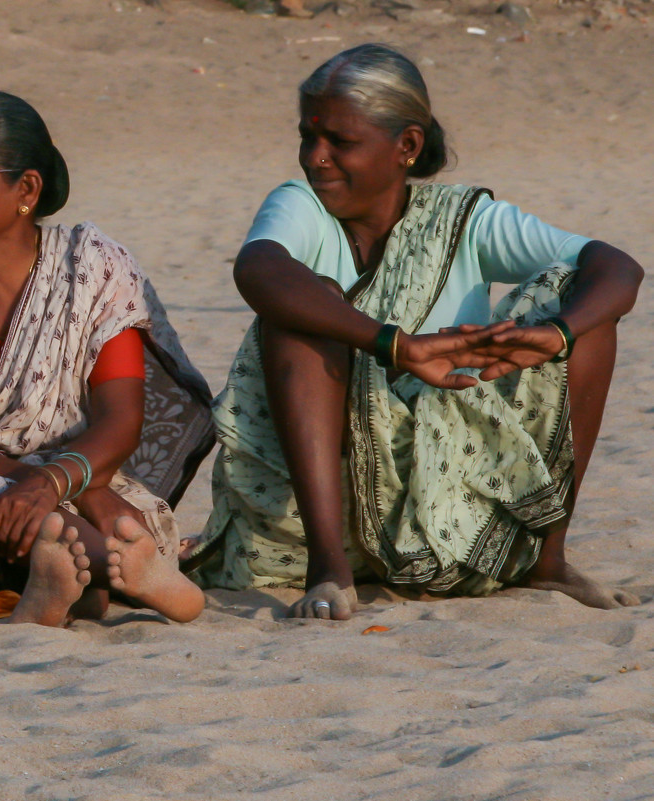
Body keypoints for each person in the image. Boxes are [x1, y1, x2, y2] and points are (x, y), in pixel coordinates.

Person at [184, 44, 644, 620]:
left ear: (407, 146)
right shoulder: (302, 206)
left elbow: (617, 267)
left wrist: (558, 334)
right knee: (304, 308)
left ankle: (546, 560)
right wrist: (395, 345)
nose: (316, 158)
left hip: (460, 504)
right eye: (308, 136)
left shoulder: (465, 220)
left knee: (587, 316)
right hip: (314, 517)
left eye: (340, 142)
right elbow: (258, 269)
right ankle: (331, 574)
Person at [0, 90, 212, 627]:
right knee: (34, 521)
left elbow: (122, 419)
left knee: (130, 522)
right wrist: (36, 487)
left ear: (26, 188)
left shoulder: (93, 267)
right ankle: (100, 579)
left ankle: (75, 579)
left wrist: (59, 483)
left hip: (73, 474)